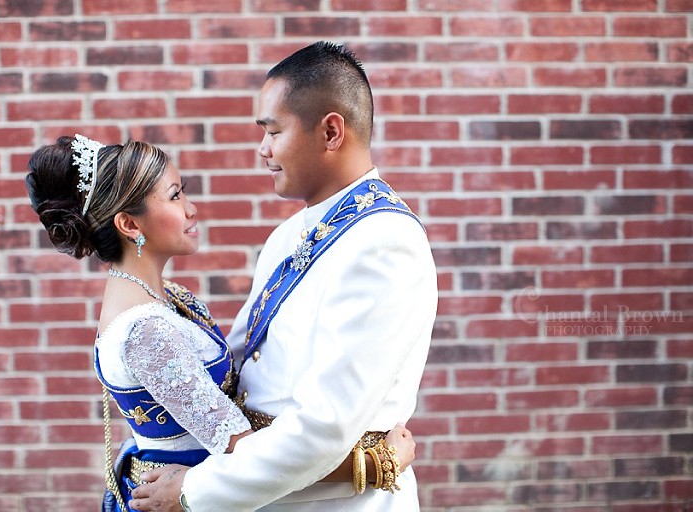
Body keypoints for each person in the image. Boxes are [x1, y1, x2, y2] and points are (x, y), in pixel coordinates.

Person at [25, 134, 416, 512]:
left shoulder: (163, 297)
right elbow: (243, 453)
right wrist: (374, 465)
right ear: (130, 225)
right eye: (175, 195)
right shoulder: (145, 333)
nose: (191, 208)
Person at [130, 41, 438, 511]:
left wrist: (196, 491)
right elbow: (240, 370)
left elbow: (324, 425)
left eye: (273, 131)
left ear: (331, 131)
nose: (262, 149)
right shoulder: (291, 232)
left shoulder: (382, 242)